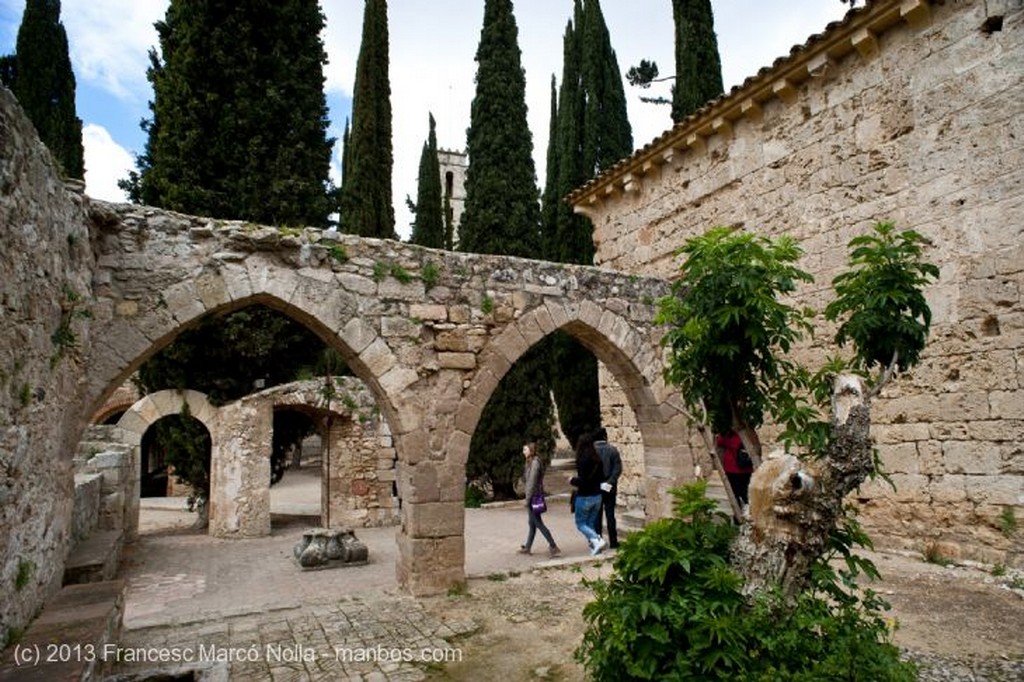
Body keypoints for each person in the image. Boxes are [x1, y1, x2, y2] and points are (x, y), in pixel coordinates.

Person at [518, 442, 561, 557]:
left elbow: (531, 483)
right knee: (532, 523)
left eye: (525, 449)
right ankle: (527, 547)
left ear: (531, 451)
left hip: (534, 497)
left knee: (538, 523)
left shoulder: (535, 463)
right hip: (534, 496)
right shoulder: (530, 462)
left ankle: (553, 545)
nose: (523, 452)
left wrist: (527, 500)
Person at [569, 433, 606, 555]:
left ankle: (598, 540)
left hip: (585, 496)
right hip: (598, 496)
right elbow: (602, 477)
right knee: (590, 523)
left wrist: (572, 480)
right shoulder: (598, 459)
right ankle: (595, 549)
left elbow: (583, 481)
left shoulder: (582, 460)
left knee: (580, 524)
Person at [593, 426, 622, 549]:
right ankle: (613, 542)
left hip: (596, 487)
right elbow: (617, 468)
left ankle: (598, 542)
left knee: (597, 516)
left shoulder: (591, 451)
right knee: (610, 515)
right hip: (610, 487)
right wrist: (610, 482)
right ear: (605, 436)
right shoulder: (613, 450)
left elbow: (590, 471)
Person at [717, 430, 754, 506]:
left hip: (732, 469)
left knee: (736, 494)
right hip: (746, 469)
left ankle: (738, 514)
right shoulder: (747, 432)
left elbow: (720, 441)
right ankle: (748, 512)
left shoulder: (729, 434)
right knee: (746, 493)